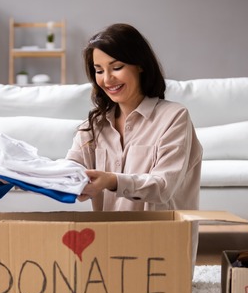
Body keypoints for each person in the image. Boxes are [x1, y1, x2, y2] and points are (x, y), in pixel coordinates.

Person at [66, 23, 202, 212]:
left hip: (162, 238)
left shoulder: (174, 117)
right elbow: (69, 169)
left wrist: (112, 180)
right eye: (99, 70)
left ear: (140, 65)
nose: (107, 79)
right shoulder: (94, 125)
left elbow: (163, 186)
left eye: (116, 67)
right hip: (108, 237)